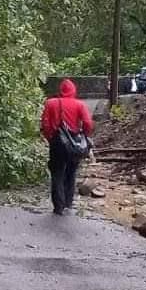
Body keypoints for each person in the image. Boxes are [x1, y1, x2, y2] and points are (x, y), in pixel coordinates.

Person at [40, 79, 94, 216]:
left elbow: (45, 124)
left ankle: (58, 206)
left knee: (57, 173)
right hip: (73, 144)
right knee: (71, 172)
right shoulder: (79, 105)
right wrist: (84, 136)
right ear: (73, 90)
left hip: (57, 143)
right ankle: (68, 203)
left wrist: (50, 138)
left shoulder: (50, 103)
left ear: (60, 90)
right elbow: (88, 123)